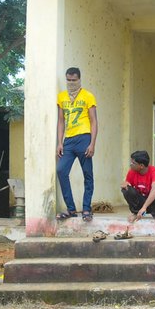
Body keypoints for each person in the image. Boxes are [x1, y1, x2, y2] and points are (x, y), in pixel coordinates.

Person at [56, 66, 98, 222]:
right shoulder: (61, 97)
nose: (71, 83)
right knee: (61, 170)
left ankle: (86, 208)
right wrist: (59, 142)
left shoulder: (88, 96)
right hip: (69, 140)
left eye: (74, 80)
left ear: (79, 79)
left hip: (84, 138)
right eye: (68, 80)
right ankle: (71, 209)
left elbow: (94, 121)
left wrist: (92, 143)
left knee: (87, 174)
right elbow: (61, 121)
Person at [121, 150, 155, 226]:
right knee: (126, 190)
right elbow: (127, 184)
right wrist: (124, 184)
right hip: (142, 203)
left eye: (133, 163)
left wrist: (144, 207)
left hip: (153, 203)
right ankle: (136, 212)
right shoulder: (132, 171)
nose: (130, 164)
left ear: (141, 166)